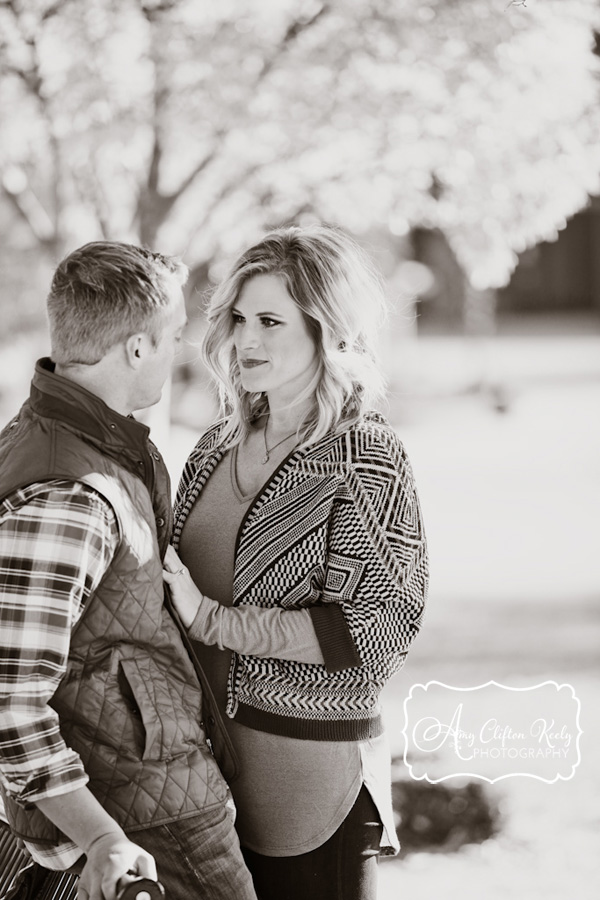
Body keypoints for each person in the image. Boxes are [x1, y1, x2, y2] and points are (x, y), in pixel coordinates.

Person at [163, 224, 429, 900]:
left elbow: (379, 627)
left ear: (325, 329)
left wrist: (213, 620)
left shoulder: (362, 456)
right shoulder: (213, 450)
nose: (246, 340)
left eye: (271, 321)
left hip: (308, 784)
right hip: (204, 782)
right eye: (239, 319)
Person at [0, 242, 257, 900]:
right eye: (172, 337)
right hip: (146, 815)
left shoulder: (72, 444)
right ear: (137, 348)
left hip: (147, 791)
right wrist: (100, 838)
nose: (179, 352)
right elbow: (9, 698)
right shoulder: (72, 491)